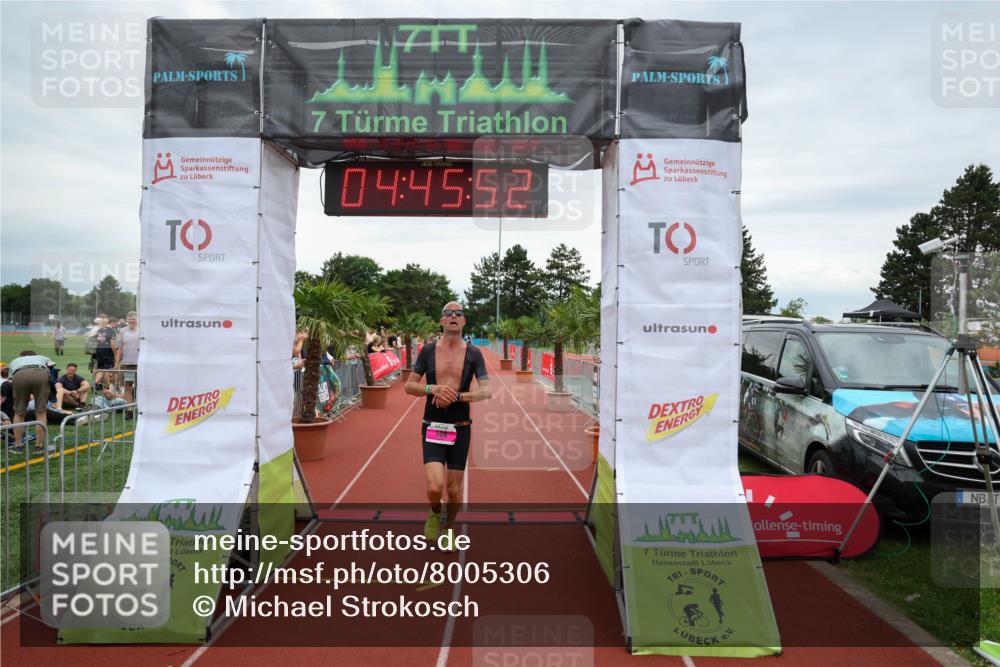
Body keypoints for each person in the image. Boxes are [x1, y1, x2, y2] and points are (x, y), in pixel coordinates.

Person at [405, 302, 492, 549]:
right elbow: (409, 386)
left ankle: (451, 527)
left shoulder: (474, 354)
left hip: (461, 426)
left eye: (459, 313)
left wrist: (457, 396)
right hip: (433, 425)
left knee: (454, 491)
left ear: (464, 321)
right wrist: (433, 389)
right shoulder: (428, 351)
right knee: (435, 487)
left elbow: (487, 390)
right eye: (448, 313)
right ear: (441, 321)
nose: (454, 316)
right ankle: (434, 510)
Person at [9, 350, 53, 453]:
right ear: (35, 355)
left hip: (19, 374)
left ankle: (18, 446)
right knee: (41, 412)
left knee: (19, 413)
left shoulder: (15, 360)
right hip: (40, 373)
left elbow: (12, 376)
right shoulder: (42, 357)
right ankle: (39, 446)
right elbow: (52, 370)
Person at [116, 311, 139, 403]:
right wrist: (117, 362)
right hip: (127, 364)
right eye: (130, 319)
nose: (132, 320)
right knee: (128, 387)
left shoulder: (142, 330)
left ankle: (139, 407)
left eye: (133, 318)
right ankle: (129, 410)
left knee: (140, 387)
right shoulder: (122, 331)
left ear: (137, 319)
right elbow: (120, 348)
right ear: (127, 320)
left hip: (140, 364)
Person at [92, 317, 118, 386]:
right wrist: (115, 354)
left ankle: (95, 383)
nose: (116, 326)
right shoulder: (112, 331)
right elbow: (112, 345)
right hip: (107, 352)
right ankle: (108, 386)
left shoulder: (100, 330)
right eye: (116, 324)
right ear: (112, 323)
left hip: (99, 351)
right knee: (108, 370)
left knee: (100, 369)